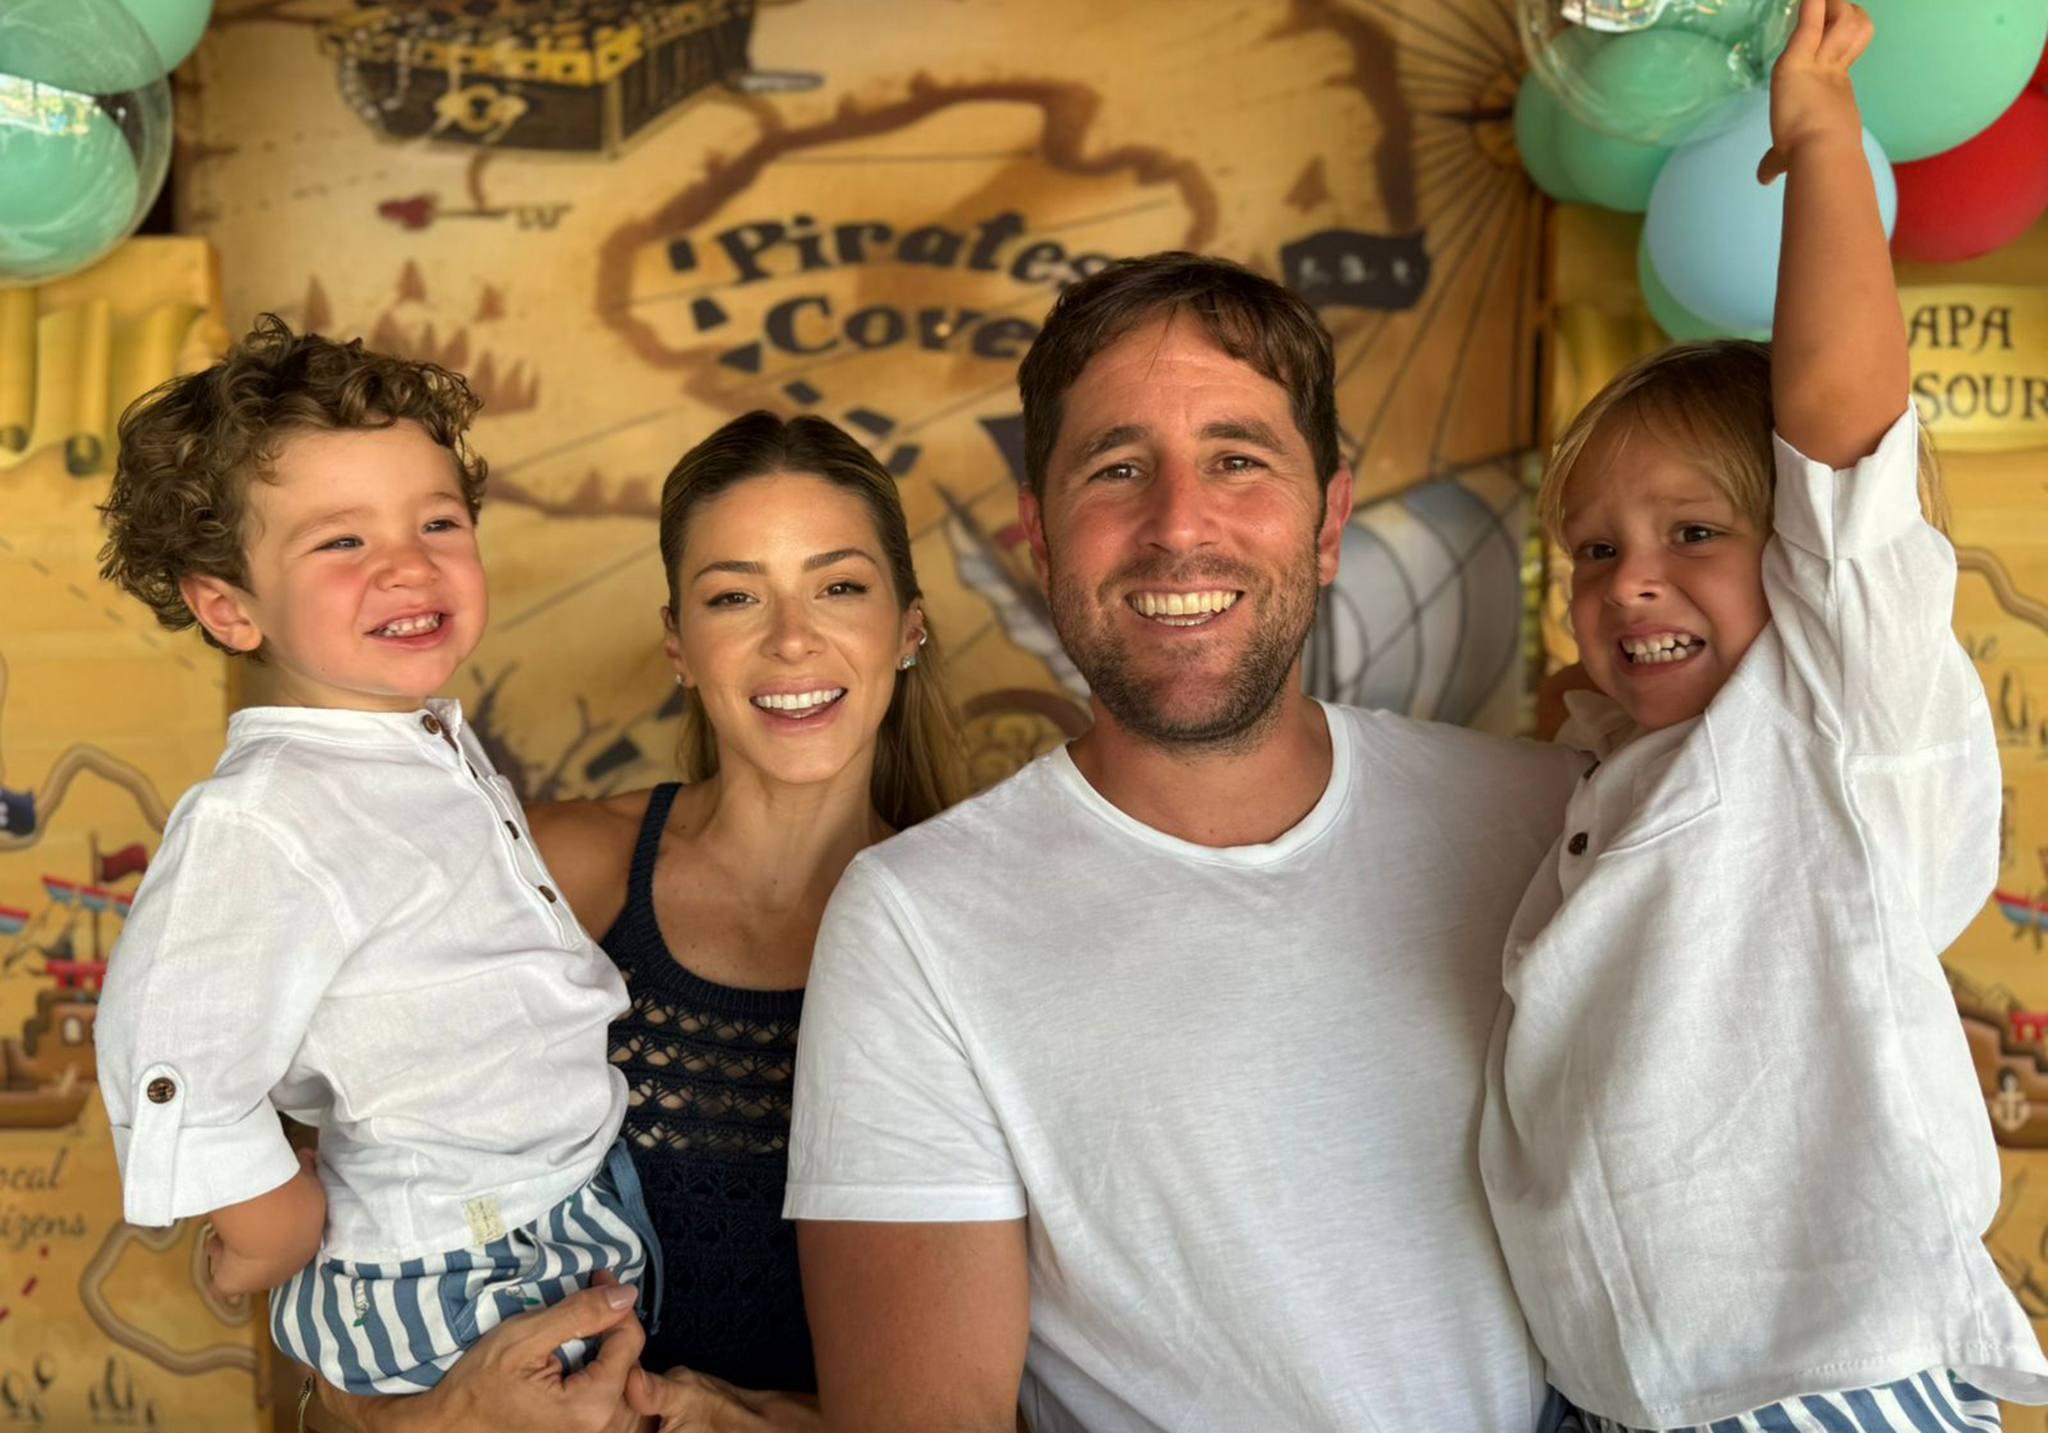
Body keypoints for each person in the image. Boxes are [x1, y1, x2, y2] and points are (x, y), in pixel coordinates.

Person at [783, 251, 1583, 1431]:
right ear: (1039, 538)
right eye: (1116, 467)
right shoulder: (918, 920)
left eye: (1236, 458)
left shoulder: (1548, 820)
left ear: (1328, 521)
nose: (1176, 525)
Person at [1478, 3, 2048, 1428]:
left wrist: (1823, 139)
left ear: (1800, 552)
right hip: (1623, 1391)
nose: (1628, 580)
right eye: (1593, 550)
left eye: (1693, 532)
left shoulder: (1833, 708)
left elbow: (1840, 422)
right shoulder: (1616, 768)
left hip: (1821, 1378)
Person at [310, 409, 967, 1433]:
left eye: (838, 586)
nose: (792, 637)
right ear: (678, 643)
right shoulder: (546, 874)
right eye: (734, 595)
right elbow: (346, 1252)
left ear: (909, 627)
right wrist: (427, 1419)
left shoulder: (982, 928)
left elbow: (1040, 1377)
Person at [93, 317, 655, 1396]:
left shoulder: (411, 742)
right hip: (454, 1262)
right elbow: (166, 1040)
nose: (408, 562)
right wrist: (269, 1219)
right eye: (341, 541)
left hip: (559, 1209)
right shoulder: (265, 813)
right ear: (229, 606)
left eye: (438, 521)